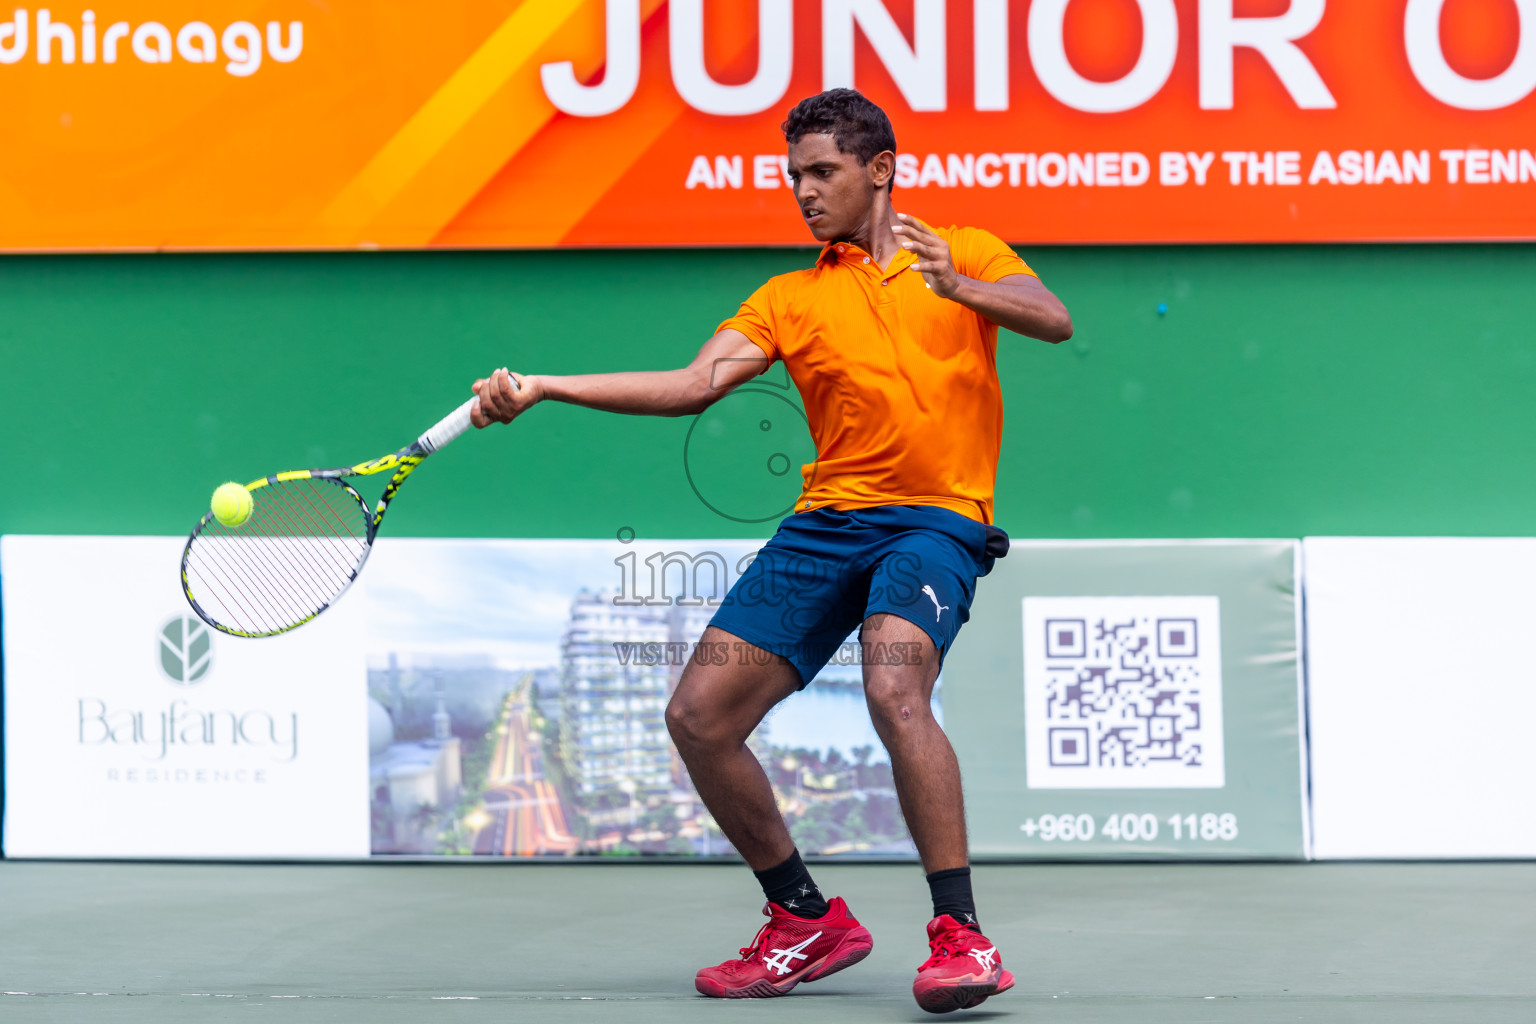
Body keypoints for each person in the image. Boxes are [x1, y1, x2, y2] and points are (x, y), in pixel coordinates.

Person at [470, 88, 1072, 1014]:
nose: (803, 189)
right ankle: (803, 919)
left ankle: (962, 937)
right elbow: (689, 385)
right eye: (794, 174)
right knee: (699, 717)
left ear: (881, 171)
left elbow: (1049, 315)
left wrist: (960, 286)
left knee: (892, 686)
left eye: (822, 171)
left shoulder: (964, 251)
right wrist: (548, 385)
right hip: (825, 527)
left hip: (934, 521)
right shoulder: (788, 299)